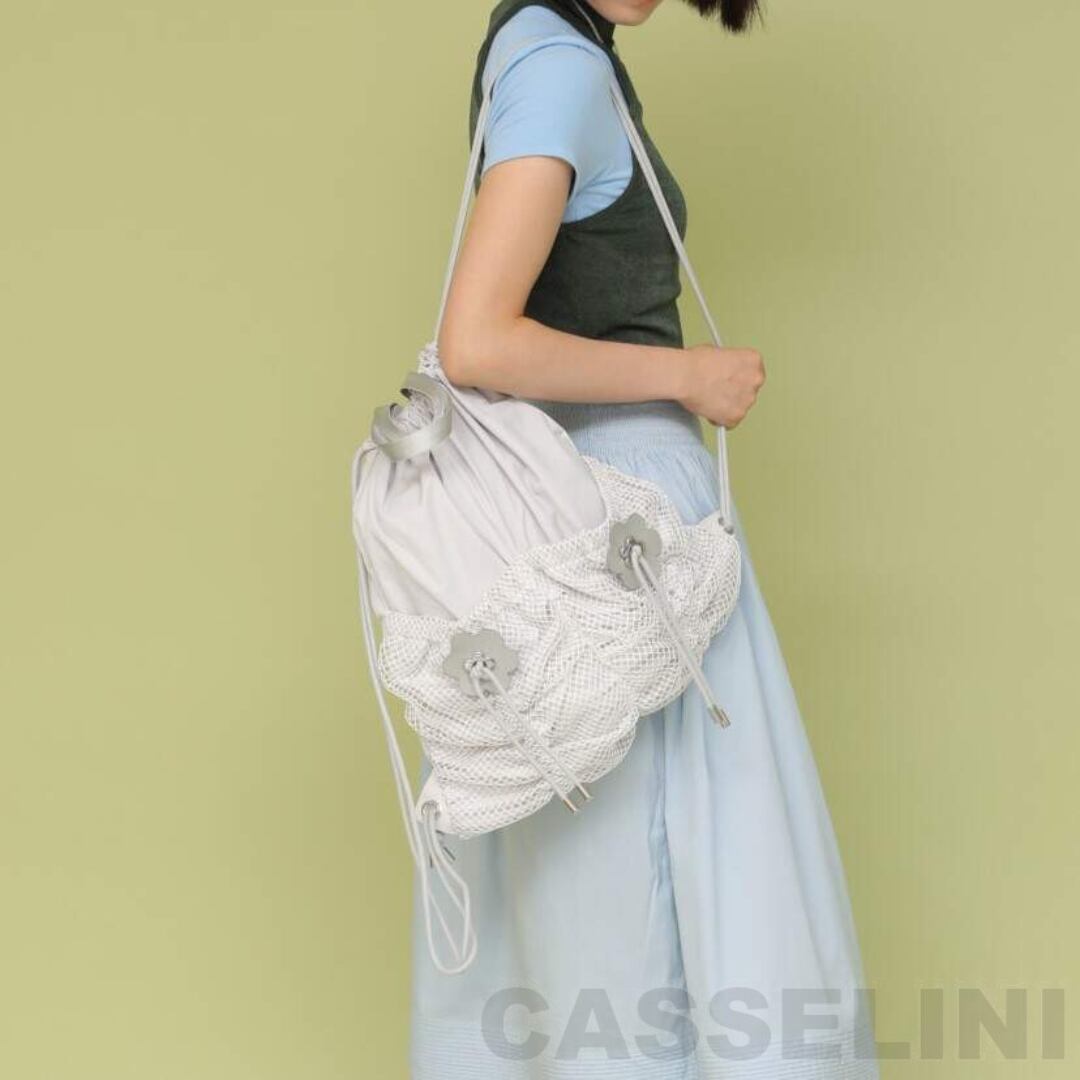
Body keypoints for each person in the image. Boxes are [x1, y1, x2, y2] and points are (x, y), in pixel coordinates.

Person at [409, 2, 880, 1076]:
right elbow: (475, 340)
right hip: (619, 539)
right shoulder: (559, 64)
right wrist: (687, 375)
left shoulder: (552, 49)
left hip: (575, 531)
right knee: (664, 903)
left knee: (594, 918)